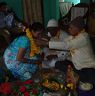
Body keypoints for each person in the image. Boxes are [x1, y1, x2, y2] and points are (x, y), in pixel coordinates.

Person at [47, 16, 95, 84]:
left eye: (71, 28)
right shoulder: (74, 36)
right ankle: (73, 75)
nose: (69, 29)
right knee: (58, 64)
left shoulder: (84, 37)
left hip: (87, 67)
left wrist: (47, 43)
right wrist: (48, 42)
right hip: (76, 64)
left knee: (86, 80)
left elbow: (67, 45)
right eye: (69, 27)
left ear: (79, 29)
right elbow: (63, 42)